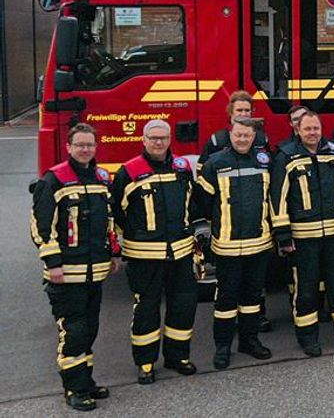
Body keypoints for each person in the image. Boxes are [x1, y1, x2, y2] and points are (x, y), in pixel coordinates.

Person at [30, 123, 122, 411]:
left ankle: (86, 381)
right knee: (74, 331)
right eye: (80, 145)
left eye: (90, 145)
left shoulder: (99, 179)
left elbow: (108, 222)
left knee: (90, 328)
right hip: (66, 274)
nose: (85, 149)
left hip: (94, 271)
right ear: (69, 147)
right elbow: (42, 227)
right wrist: (53, 263)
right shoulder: (54, 180)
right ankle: (73, 388)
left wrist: (114, 254)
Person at [271, 111, 334, 357]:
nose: (312, 133)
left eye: (316, 128)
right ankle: (308, 338)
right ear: (298, 130)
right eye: (308, 129)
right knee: (306, 289)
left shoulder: (332, 154)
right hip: (303, 238)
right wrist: (283, 235)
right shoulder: (287, 157)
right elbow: (278, 198)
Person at [111, 120, 197, 385]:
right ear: (144, 140)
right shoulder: (129, 171)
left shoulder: (181, 168)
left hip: (180, 253)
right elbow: (116, 213)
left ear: (170, 139)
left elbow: (192, 206)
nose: (158, 143)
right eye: (153, 138)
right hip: (144, 256)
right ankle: (145, 362)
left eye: (163, 138)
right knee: (147, 309)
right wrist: (130, 240)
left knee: (182, 306)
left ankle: (177, 357)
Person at [192, 118, 275, 370]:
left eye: (247, 136)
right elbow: (202, 202)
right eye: (238, 135)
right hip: (226, 246)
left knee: (252, 297)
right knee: (226, 300)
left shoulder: (264, 162)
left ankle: (250, 341)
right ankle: (223, 347)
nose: (242, 139)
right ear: (230, 135)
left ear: (254, 137)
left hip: (259, 243)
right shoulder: (215, 164)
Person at [198, 90, 271, 172]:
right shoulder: (217, 140)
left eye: (247, 110)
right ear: (230, 112)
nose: (243, 114)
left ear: (251, 112)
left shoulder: (261, 138)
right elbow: (202, 168)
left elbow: (270, 166)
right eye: (239, 110)